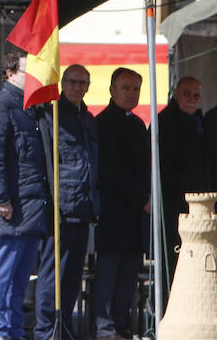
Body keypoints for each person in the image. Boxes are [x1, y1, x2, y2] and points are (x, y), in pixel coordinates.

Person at [0, 51, 51, 340]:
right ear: (10, 73)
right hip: (12, 207)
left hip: (31, 205)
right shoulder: (0, 105)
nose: (34, 77)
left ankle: (13, 331)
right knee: (3, 274)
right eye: (27, 71)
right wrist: (0, 199)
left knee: (20, 278)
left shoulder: (32, 109)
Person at [34, 64, 99, 340]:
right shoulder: (52, 114)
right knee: (52, 275)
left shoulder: (88, 117)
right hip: (60, 209)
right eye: (72, 82)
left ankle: (64, 327)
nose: (77, 87)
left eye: (83, 83)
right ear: (62, 83)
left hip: (83, 208)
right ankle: (46, 330)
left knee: (73, 276)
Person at [93, 67, 150, 340]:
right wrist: (142, 198)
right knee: (109, 273)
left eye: (136, 89)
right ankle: (106, 329)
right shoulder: (103, 123)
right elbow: (111, 169)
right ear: (112, 91)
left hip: (135, 215)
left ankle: (122, 325)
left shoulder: (138, 124)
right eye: (126, 88)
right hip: (113, 212)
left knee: (128, 274)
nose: (131, 93)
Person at [157, 76, 208, 297]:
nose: (191, 99)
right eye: (186, 93)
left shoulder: (200, 122)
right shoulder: (165, 122)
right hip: (173, 205)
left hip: (199, 207)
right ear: (176, 93)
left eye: (196, 95)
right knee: (173, 261)